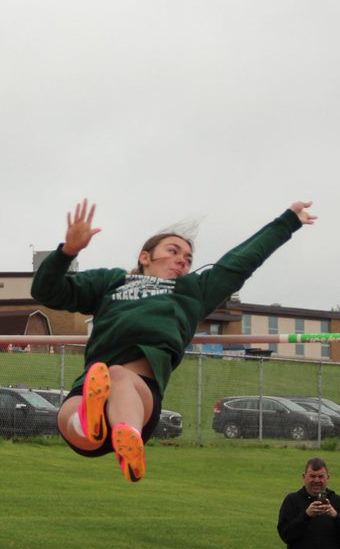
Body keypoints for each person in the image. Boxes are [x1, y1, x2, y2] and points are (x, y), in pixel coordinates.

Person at [32, 198, 317, 482]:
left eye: (188, 259)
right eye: (173, 251)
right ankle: (88, 423)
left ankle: (127, 438)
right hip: (91, 387)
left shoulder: (192, 291)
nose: (182, 260)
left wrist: (287, 221)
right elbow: (46, 291)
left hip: (139, 392)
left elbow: (240, 262)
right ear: (145, 257)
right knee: (68, 412)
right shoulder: (111, 282)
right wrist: (67, 252)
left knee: (117, 375)